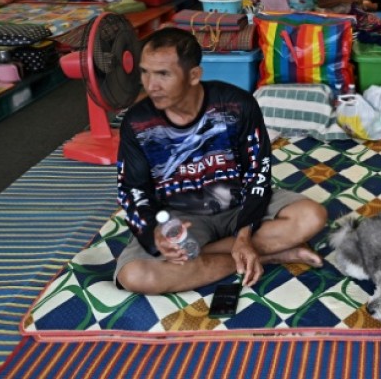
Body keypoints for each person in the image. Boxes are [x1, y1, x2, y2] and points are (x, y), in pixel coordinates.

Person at [115, 28, 327, 294]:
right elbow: (133, 191)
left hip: (241, 204)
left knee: (311, 216)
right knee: (135, 276)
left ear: (193, 75)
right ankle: (269, 255)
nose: (150, 85)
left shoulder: (237, 105)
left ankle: (208, 254)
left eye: (163, 74)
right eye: (145, 72)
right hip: (181, 218)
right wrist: (153, 235)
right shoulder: (137, 123)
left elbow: (258, 173)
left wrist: (245, 234)